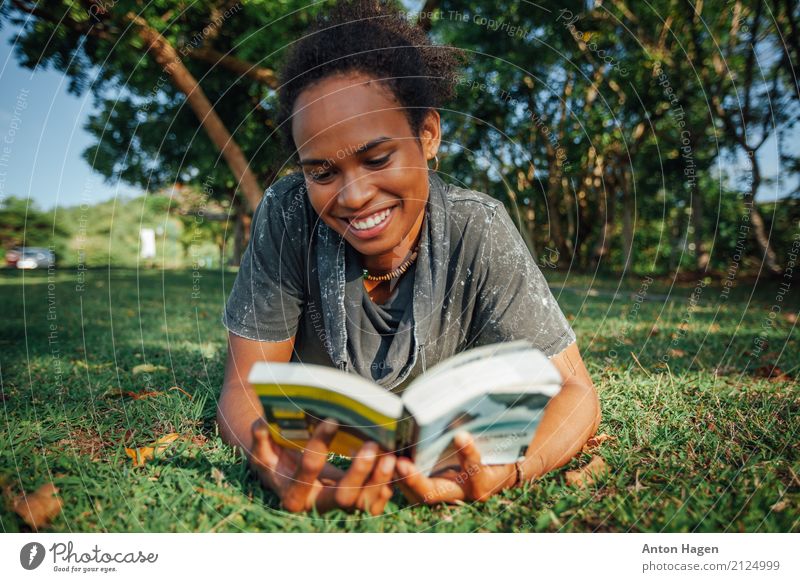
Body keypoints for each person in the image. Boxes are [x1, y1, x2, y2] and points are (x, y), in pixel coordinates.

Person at [217, 0, 600, 516]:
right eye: (322, 173)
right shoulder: (289, 216)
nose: (352, 196)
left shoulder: (477, 228)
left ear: (428, 135)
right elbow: (243, 387)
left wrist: (506, 470)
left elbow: (575, 391)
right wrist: (283, 469)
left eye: (378, 159)